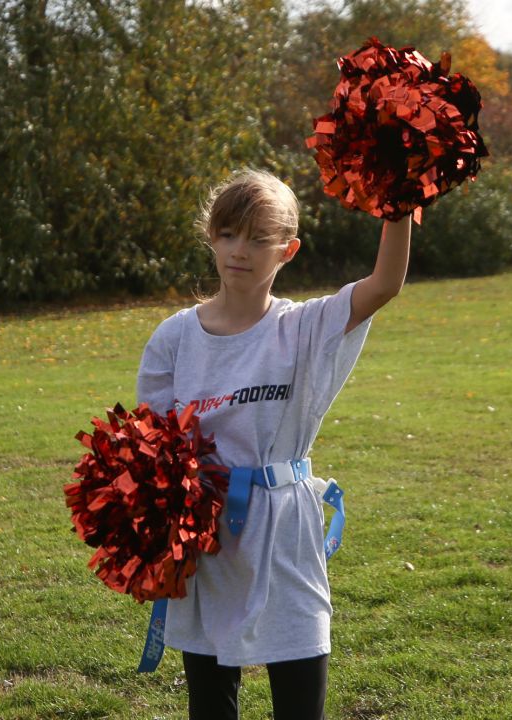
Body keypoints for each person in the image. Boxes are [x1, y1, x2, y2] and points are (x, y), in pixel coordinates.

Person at [136, 168, 411, 719]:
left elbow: (384, 284)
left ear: (288, 250)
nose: (240, 250)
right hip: (206, 536)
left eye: (260, 239)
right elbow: (152, 447)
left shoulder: (305, 327)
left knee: (299, 699)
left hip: (285, 531)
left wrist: (399, 203)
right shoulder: (175, 337)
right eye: (228, 233)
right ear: (211, 237)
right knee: (212, 703)